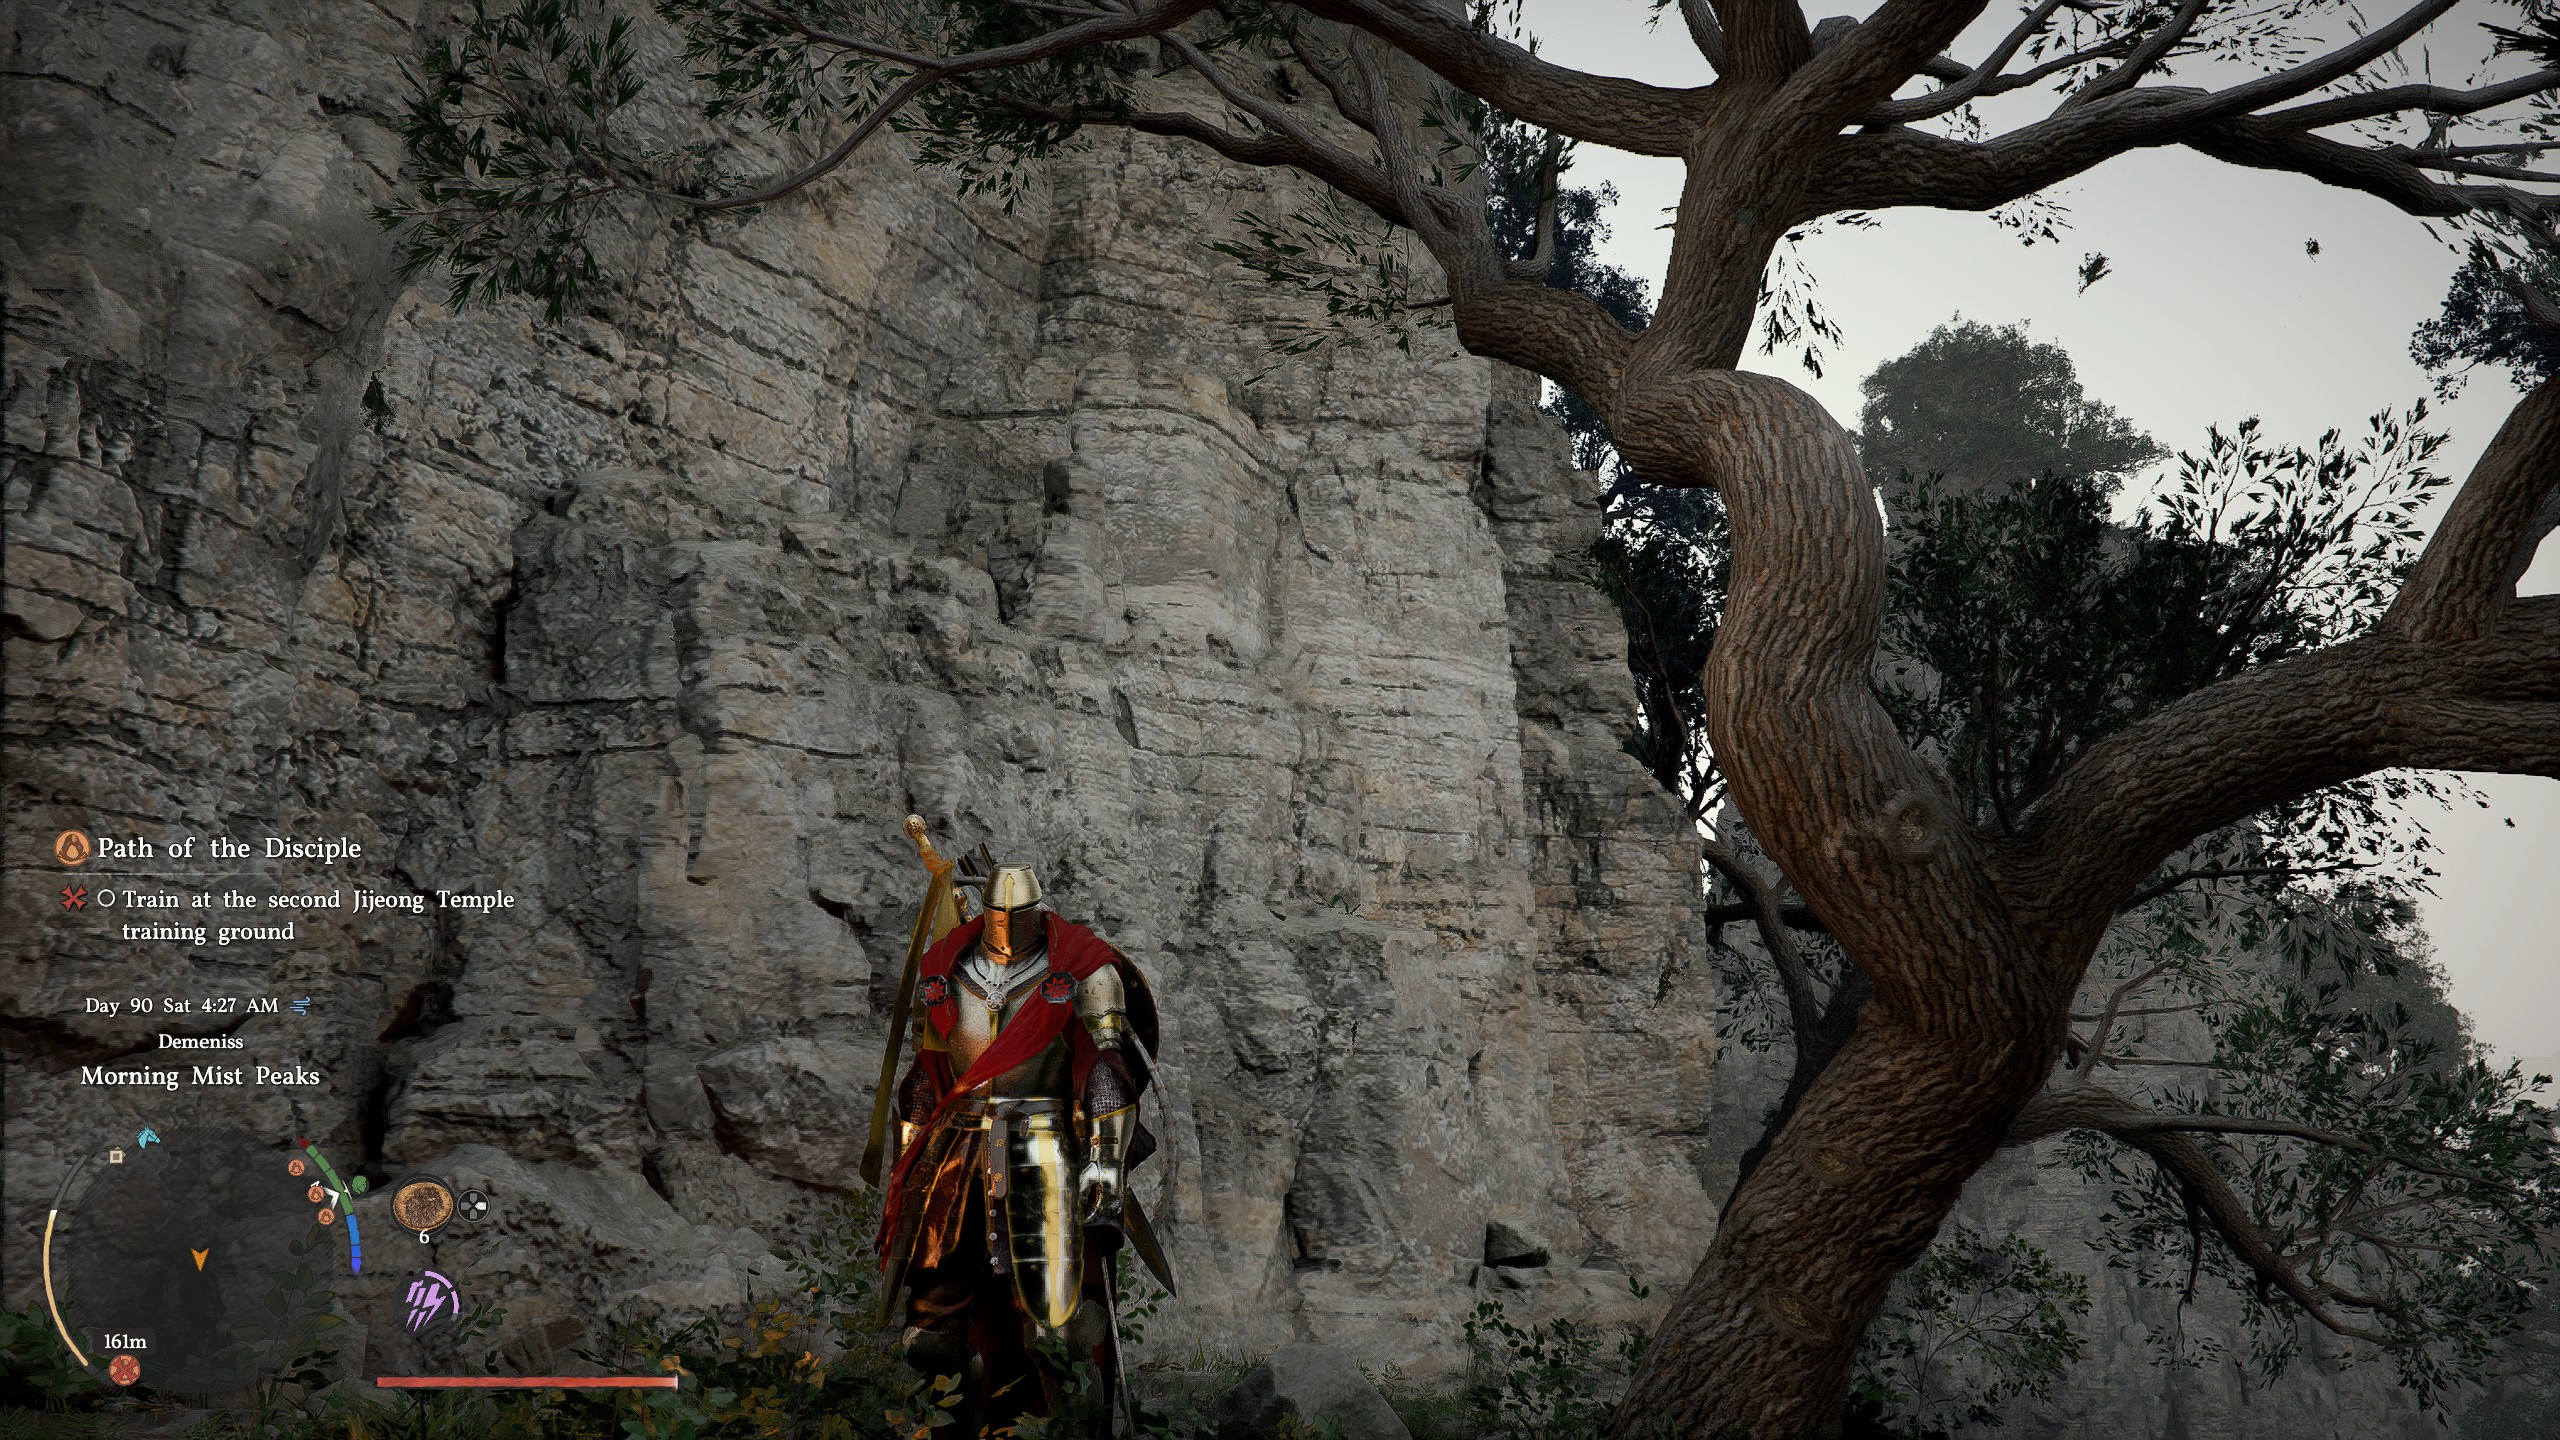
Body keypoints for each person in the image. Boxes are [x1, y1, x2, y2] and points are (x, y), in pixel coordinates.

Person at [874, 862, 1159, 1435]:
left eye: (1017, 913)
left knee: (1055, 1332)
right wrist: (908, 1157)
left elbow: (1106, 1067)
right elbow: (928, 1073)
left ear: (1036, 910)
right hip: (954, 1152)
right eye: (997, 912)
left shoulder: (1084, 969)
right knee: (927, 1340)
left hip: (1043, 1150)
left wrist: (1104, 1163)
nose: (1006, 922)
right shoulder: (946, 967)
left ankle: (1072, 1432)